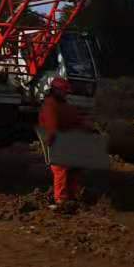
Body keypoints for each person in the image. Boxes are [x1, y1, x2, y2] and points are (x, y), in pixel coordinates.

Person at [38, 76, 89, 205]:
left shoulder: (53, 105)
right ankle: (66, 197)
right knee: (67, 170)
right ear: (56, 90)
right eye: (64, 91)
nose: (66, 94)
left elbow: (52, 128)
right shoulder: (56, 105)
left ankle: (64, 198)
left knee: (63, 170)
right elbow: (53, 127)